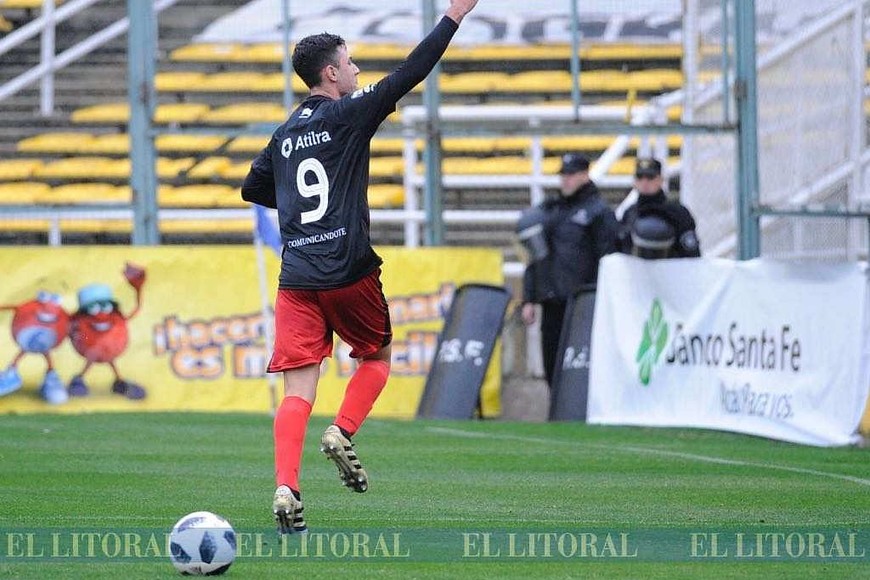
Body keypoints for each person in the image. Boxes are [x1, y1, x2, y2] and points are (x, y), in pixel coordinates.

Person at [240, 0, 480, 535]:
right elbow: (409, 73)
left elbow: (252, 187)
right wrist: (453, 17)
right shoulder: (348, 113)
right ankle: (343, 431)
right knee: (377, 356)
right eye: (349, 63)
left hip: (296, 275)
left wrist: (302, 211)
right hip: (347, 267)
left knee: (298, 388)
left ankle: (286, 485)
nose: (356, 70)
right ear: (330, 74)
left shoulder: (283, 135)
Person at [517, 153, 618, 391]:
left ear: (585, 175)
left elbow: (608, 259)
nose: (566, 181)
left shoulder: (598, 213)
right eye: (564, 175)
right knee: (551, 365)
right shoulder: (550, 211)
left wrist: (597, 296)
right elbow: (534, 258)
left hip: (582, 304)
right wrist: (529, 298)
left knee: (581, 367)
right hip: (552, 302)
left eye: (571, 175)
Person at [617, 157, 701, 259]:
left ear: (660, 180)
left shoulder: (678, 213)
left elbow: (691, 253)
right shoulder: (629, 213)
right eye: (640, 177)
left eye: (650, 177)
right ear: (635, 181)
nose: (645, 182)